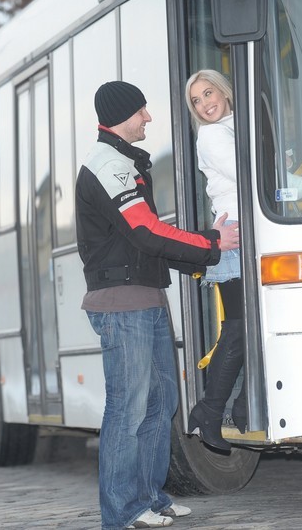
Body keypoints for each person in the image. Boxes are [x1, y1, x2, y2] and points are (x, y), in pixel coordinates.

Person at [75, 80, 239, 530]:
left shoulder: (125, 161)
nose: (148, 118)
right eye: (142, 111)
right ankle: (121, 513)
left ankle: (149, 499)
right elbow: (146, 230)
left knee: (160, 401)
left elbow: (141, 243)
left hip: (145, 298)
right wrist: (211, 243)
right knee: (128, 407)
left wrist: (203, 264)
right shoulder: (108, 163)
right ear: (122, 115)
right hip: (122, 305)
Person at [183, 69, 302, 452]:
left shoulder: (239, 128)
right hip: (236, 233)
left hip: (256, 229)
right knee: (239, 327)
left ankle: (239, 406)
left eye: (208, 93)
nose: (205, 104)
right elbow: (255, 175)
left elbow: (267, 172)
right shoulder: (212, 135)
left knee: (255, 327)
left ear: (224, 91)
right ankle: (211, 409)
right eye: (196, 101)